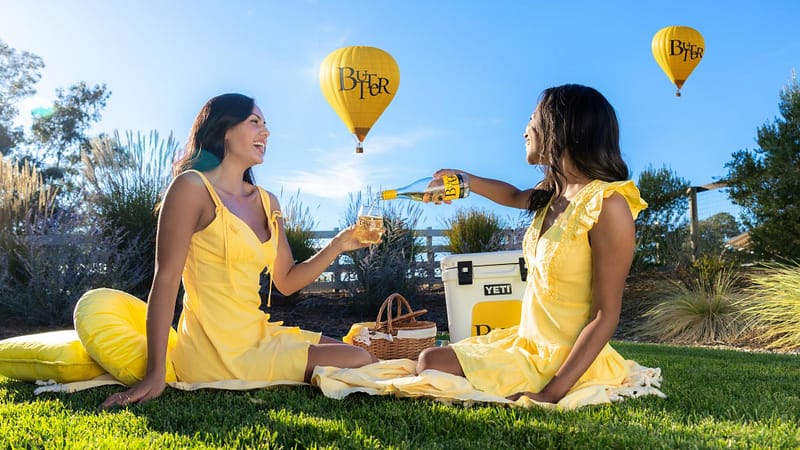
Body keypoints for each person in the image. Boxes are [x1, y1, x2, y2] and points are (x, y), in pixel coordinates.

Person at [101, 93, 377, 409]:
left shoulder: (267, 201)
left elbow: (286, 281)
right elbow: (165, 281)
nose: (266, 132)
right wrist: (154, 373)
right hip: (217, 352)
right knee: (357, 358)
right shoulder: (191, 188)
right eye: (254, 122)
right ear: (225, 131)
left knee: (366, 356)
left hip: (259, 334)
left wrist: (338, 244)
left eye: (266, 124)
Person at [416, 84, 651, 404]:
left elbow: (605, 316)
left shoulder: (608, 206)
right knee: (430, 360)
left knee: (433, 366)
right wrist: (462, 180)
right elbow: (512, 195)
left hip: (565, 361)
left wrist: (551, 392)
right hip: (528, 343)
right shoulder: (551, 195)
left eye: (533, 118)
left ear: (560, 128)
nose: (526, 130)